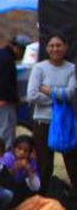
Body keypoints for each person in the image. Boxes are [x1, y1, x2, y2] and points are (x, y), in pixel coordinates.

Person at [26, 33, 77, 190]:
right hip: (43, 122)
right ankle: (42, 199)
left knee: (73, 165)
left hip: (65, 122)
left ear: (66, 47)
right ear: (46, 48)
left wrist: (50, 91)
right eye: (51, 46)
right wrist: (58, 97)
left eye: (59, 45)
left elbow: (71, 93)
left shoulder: (72, 69)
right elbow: (32, 95)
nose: (55, 49)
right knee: (44, 165)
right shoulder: (39, 68)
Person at [1, 135, 72, 210]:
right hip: (7, 190)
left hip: (20, 194)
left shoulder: (31, 162)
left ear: (30, 153)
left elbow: (36, 187)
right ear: (14, 149)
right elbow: (2, 178)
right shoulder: (8, 158)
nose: (22, 152)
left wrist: (29, 170)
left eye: (26, 151)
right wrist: (14, 169)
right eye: (19, 149)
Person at [0, 35, 28, 146]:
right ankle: (4, 162)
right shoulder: (6, 59)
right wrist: (15, 99)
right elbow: (4, 83)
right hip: (2, 103)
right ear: (18, 48)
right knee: (4, 137)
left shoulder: (0, 55)